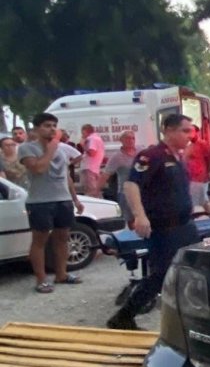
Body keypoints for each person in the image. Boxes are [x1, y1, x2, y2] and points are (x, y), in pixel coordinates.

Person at [106, 114, 200, 330]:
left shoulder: (177, 157)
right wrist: (140, 215)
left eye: (190, 131)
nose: (190, 135)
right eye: (185, 131)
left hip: (184, 225)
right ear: (168, 130)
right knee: (162, 274)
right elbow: (131, 185)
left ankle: (187, 314)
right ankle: (124, 316)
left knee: (191, 268)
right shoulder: (152, 155)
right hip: (165, 229)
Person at [17, 112, 85, 294]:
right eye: (47, 125)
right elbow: (39, 168)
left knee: (63, 238)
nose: (52, 129)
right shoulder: (27, 149)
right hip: (40, 202)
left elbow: (66, 176)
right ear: (37, 129)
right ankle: (41, 280)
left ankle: (61, 274)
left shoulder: (62, 149)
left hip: (62, 200)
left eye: (54, 125)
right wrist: (50, 149)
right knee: (39, 240)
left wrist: (75, 199)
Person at [100, 131, 139, 225]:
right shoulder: (116, 157)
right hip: (126, 193)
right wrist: (97, 190)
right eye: (128, 138)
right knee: (130, 221)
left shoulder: (141, 151)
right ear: (121, 140)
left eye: (133, 138)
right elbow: (106, 174)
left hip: (142, 191)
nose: (131, 140)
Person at [185, 125, 210, 216]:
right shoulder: (187, 146)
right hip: (189, 177)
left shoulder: (202, 144)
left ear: (196, 132)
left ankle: (189, 222)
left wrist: (208, 171)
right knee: (203, 201)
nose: (189, 134)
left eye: (191, 131)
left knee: (192, 202)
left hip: (198, 178)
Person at [79, 124, 104, 197]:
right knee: (95, 190)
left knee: (90, 191)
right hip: (94, 168)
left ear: (85, 131)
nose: (82, 135)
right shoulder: (97, 138)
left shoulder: (91, 139)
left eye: (82, 133)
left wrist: (83, 144)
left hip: (89, 168)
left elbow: (92, 152)